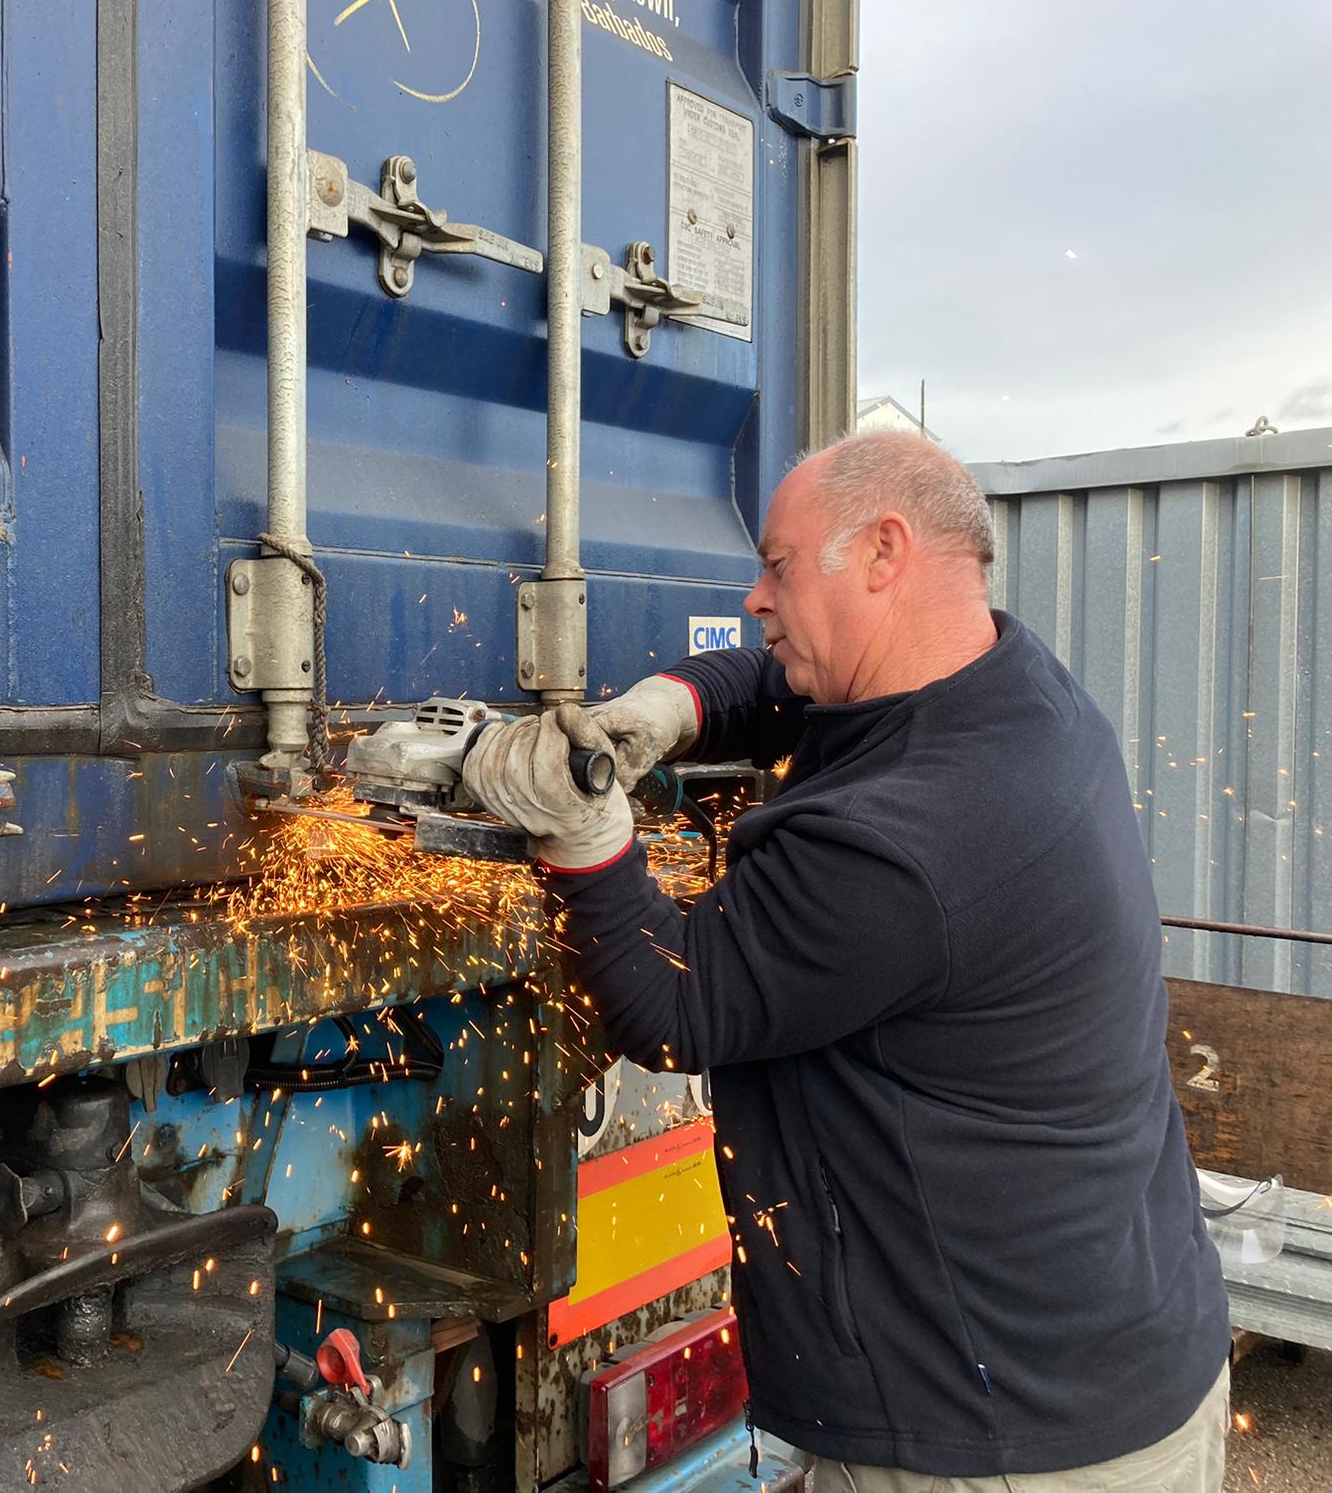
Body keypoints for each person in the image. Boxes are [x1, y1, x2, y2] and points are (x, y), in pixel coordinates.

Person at [462, 431, 1230, 1491]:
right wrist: (667, 709)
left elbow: (674, 1002)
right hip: (1120, 1357)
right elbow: (785, 688)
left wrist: (582, 835)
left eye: (776, 565)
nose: (750, 601)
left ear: (882, 552)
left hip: (1004, 1440)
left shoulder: (907, 841)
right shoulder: (1013, 693)